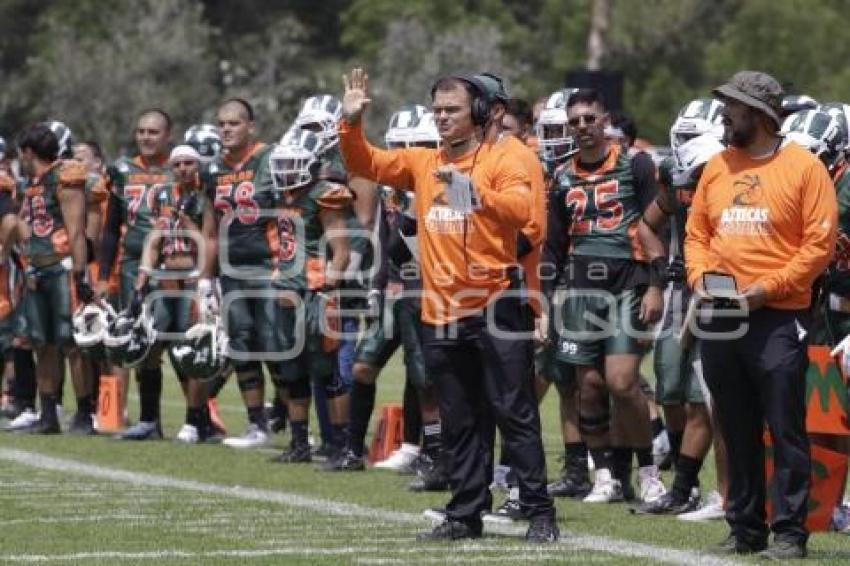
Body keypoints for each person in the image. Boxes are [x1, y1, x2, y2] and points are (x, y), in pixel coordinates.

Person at [339, 67, 558, 543]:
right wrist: (350, 122)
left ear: (479, 112)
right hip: (440, 309)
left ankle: (540, 511)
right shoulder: (423, 162)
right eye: (436, 110)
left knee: (513, 411)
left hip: (496, 301)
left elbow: (523, 212)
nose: (441, 118)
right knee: (459, 418)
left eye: (452, 109)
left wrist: (477, 197)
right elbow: (365, 163)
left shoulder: (507, 157)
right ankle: (465, 512)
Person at [685, 70, 838, 559]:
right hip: (720, 315)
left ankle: (790, 533)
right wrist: (701, 280)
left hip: (778, 315)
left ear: (760, 114)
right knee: (735, 424)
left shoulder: (804, 168)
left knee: (784, 425)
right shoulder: (716, 167)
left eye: (732, 106)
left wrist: (765, 288)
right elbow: (696, 234)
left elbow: (819, 246)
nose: (724, 114)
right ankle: (745, 528)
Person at [547, 88, 667, 505]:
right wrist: (543, 303)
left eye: (589, 118)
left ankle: (649, 470)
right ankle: (605, 476)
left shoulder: (634, 164)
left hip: (626, 284)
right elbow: (554, 243)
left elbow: (656, 225)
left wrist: (656, 284)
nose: (582, 126)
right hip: (581, 289)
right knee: (590, 387)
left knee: (622, 381)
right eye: (575, 120)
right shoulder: (562, 175)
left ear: (605, 121)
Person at [204, 98, 281, 449]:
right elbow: (210, 228)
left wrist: (287, 264)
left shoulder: (269, 159)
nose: (226, 129)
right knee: (242, 347)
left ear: (251, 126)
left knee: (278, 344)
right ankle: (256, 424)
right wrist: (206, 278)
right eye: (221, 123)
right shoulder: (213, 170)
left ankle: (290, 419)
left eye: (233, 123)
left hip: (268, 266)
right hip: (232, 271)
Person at [135, 144, 219, 443]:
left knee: (194, 351)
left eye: (189, 163)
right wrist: (144, 272)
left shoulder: (207, 194)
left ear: (198, 166)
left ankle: (194, 422)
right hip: (165, 279)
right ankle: (149, 420)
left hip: (193, 279)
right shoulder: (162, 195)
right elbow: (156, 239)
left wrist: (189, 225)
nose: (183, 169)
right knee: (150, 348)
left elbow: (209, 241)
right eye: (178, 164)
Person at [99, 109, 174, 440]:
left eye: (153, 132)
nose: (146, 137)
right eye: (141, 131)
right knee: (134, 339)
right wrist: (103, 274)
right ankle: (139, 418)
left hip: (173, 262)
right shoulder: (121, 170)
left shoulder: (181, 167)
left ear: (167, 135)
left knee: (177, 338)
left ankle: (198, 419)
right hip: (132, 265)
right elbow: (111, 228)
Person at [17, 123, 93, 433]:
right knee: (42, 344)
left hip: (62, 268)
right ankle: (48, 413)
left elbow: (75, 231)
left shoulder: (65, 177)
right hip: (38, 270)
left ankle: (85, 413)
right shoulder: (34, 183)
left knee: (72, 343)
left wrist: (80, 272)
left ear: (29, 153)